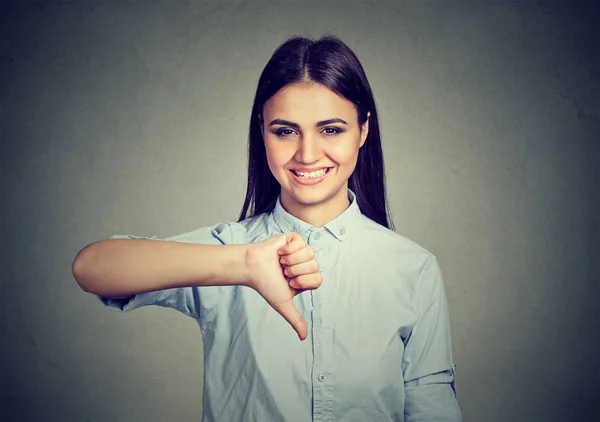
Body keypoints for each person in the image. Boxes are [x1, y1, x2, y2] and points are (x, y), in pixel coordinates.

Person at [72, 34, 463, 422]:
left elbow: (431, 403)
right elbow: (92, 268)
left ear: (363, 130)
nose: (307, 154)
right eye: (285, 131)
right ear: (262, 130)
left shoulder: (414, 267)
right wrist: (242, 264)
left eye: (331, 129)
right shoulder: (230, 249)